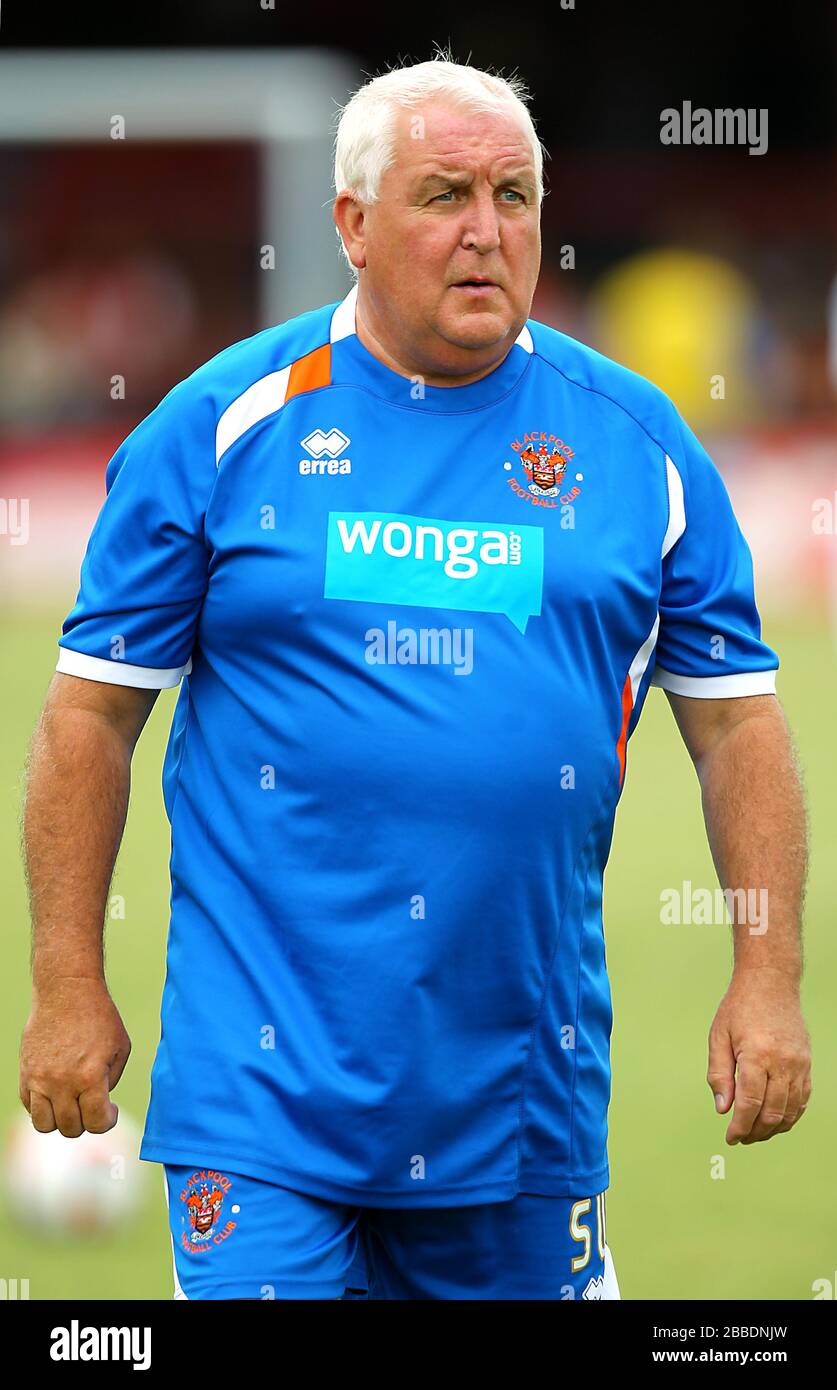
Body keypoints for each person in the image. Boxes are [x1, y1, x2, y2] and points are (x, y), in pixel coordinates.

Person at [19, 55, 811, 1302]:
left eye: (515, 194)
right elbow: (91, 715)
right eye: (445, 193)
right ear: (352, 223)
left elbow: (738, 730)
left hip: (519, 1088)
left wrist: (765, 976)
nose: (487, 231)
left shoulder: (639, 447)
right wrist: (69, 986)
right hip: (260, 1091)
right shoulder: (220, 426)